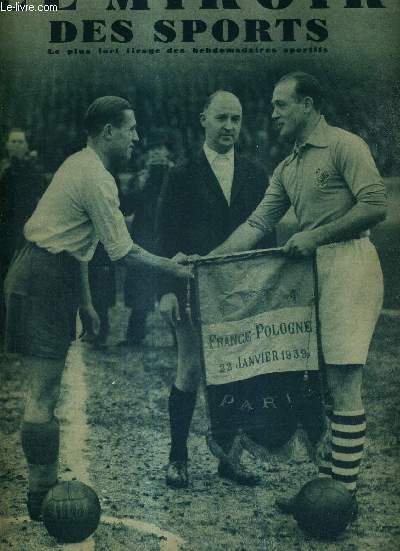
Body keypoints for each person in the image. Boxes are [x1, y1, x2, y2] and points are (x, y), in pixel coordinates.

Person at [3, 96, 190, 520]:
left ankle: (42, 490)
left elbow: (78, 244)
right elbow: (122, 251)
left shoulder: (82, 165)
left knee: (44, 391)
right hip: (42, 276)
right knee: (43, 393)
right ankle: (40, 497)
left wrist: (86, 301)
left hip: (53, 271)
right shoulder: (94, 176)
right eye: (131, 128)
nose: (136, 137)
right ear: (110, 131)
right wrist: (170, 266)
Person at [208, 73, 386, 514]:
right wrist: (204, 262)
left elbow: (375, 204)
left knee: (345, 384)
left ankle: (341, 497)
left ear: (307, 104)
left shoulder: (345, 144)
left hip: (350, 263)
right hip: (313, 273)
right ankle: (324, 491)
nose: (273, 114)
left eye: (280, 105)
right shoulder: (289, 166)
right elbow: (254, 225)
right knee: (326, 385)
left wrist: (316, 236)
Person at [157, 90, 276, 489]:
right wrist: (167, 290)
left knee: (238, 371)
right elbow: (163, 236)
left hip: (241, 289)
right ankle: (177, 459)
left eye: (236, 119)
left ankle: (229, 458)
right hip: (192, 288)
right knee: (189, 367)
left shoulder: (257, 173)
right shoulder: (181, 173)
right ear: (204, 119)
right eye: (221, 118)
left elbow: (267, 235)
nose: (229, 127)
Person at [121, 130, 174, 346]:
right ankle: (135, 336)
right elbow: (127, 208)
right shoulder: (141, 178)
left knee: (171, 289)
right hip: (144, 240)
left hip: (169, 240)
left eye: (160, 149)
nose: (156, 153)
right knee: (140, 292)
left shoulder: (177, 175)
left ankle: (180, 339)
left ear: (168, 153)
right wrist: (137, 187)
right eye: (152, 149)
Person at [0, 129, 47, 340]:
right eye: (13, 141)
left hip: (27, 233)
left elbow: (44, 200)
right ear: (7, 145)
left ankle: (23, 330)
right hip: (4, 233)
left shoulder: (34, 172)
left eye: (21, 142)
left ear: (27, 146)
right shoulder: (3, 171)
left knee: (25, 280)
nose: (17, 145)